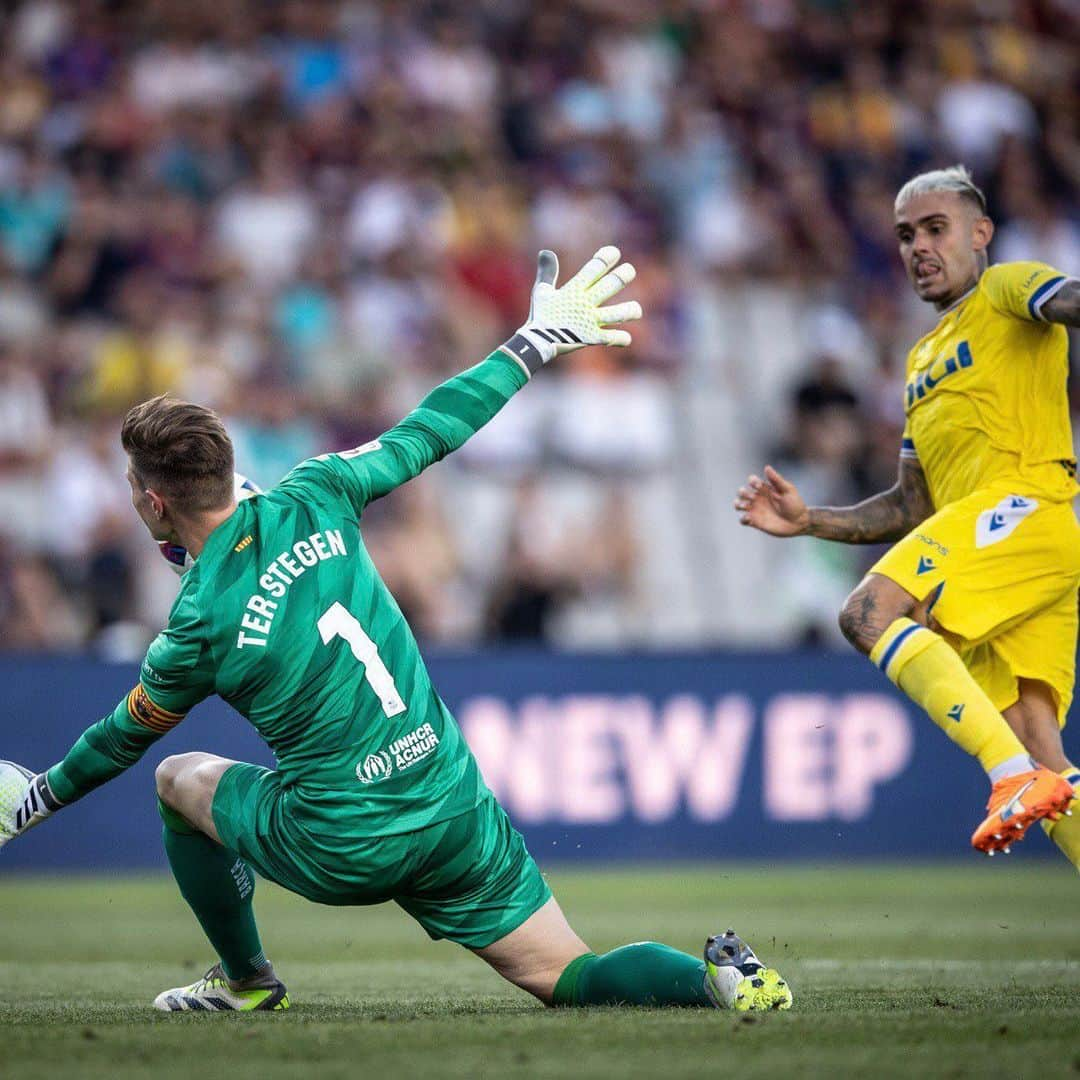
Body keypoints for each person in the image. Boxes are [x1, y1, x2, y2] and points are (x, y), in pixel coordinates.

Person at [0, 247, 791, 1014]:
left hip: (343, 839)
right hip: (448, 803)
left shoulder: (196, 623)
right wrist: (535, 339)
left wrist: (38, 798)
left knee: (178, 780)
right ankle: (715, 978)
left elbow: (119, 738)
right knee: (569, 973)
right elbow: (432, 428)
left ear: (151, 502)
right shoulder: (320, 491)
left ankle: (245, 980)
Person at [736, 165, 1080, 863]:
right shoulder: (920, 359)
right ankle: (1024, 771)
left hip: (1026, 508)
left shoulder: (1009, 288)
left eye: (935, 228)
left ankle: (1007, 774)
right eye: (904, 235)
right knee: (1048, 756)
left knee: (867, 614)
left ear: (980, 234)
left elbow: (1071, 300)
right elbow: (909, 504)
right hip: (997, 547)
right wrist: (810, 522)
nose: (918, 246)